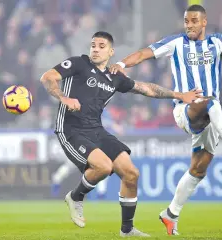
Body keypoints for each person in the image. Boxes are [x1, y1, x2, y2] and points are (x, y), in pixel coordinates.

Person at [109, 5, 222, 235]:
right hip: (185, 109)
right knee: (209, 102)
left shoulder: (218, 42)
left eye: (194, 21)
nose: (188, 25)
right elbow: (142, 54)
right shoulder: (176, 43)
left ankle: (170, 214)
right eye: (186, 21)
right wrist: (120, 64)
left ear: (204, 22)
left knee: (199, 170)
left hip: (211, 117)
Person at [40, 31, 205, 237]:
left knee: (131, 174)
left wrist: (179, 95)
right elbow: (47, 77)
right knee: (103, 167)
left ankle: (127, 230)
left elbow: (146, 89)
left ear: (111, 51)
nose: (96, 49)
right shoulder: (78, 63)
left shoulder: (115, 77)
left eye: (101, 46)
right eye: (93, 45)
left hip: (97, 130)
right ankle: (75, 197)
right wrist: (64, 98)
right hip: (71, 129)